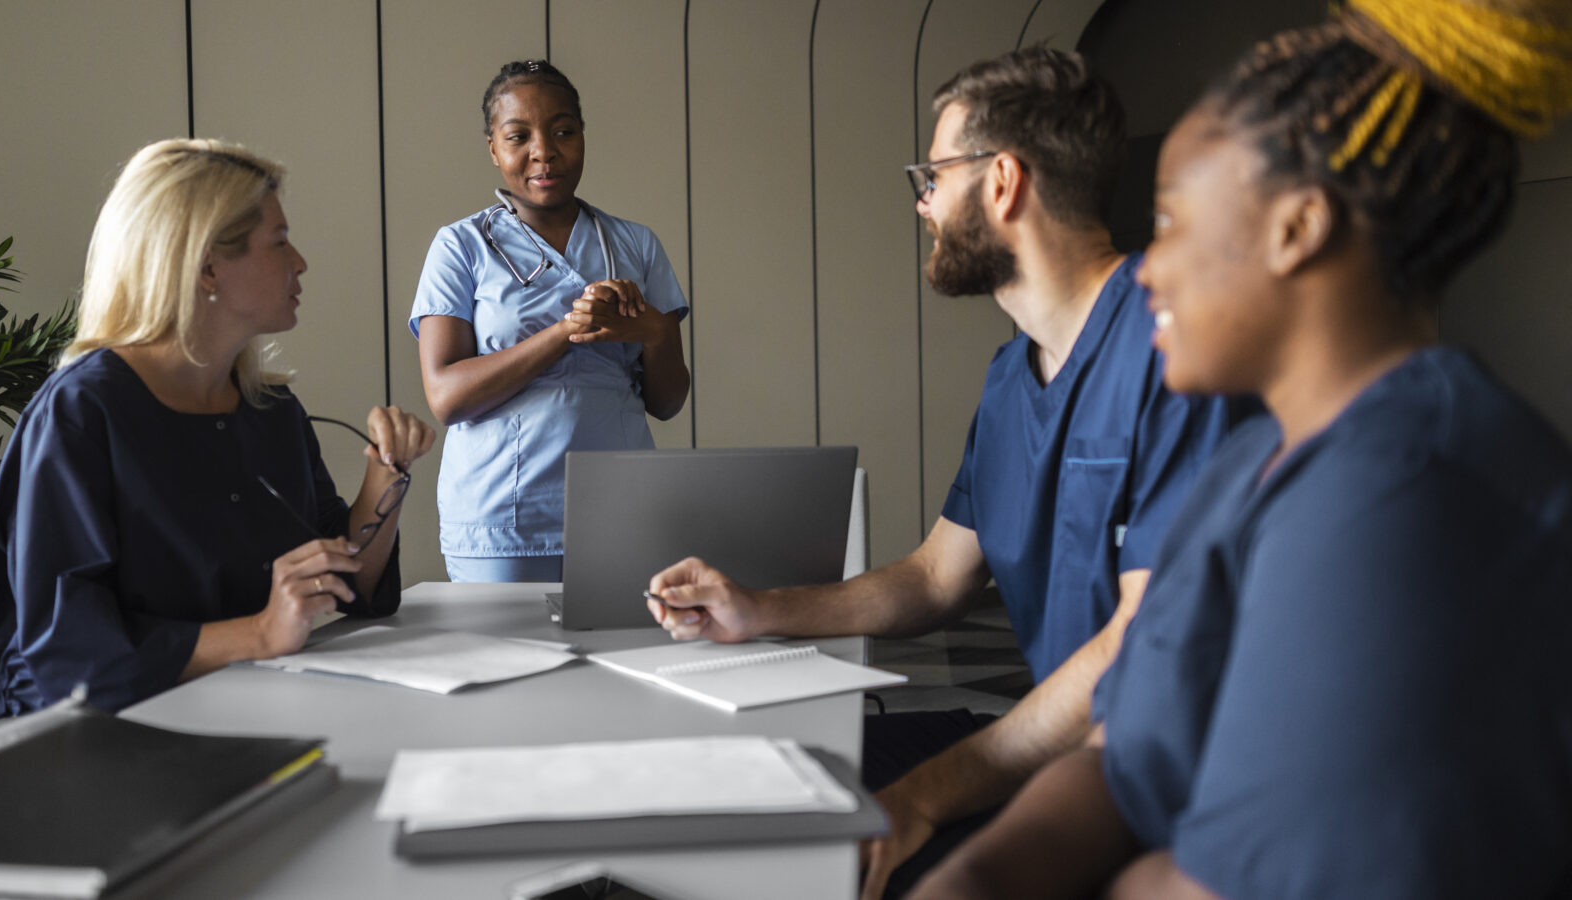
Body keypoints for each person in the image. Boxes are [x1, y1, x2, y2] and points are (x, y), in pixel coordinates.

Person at [908, 1, 1572, 897]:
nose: (1151, 266)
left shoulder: (1414, 493)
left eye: (1175, 223)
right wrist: (979, 876)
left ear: (1296, 228)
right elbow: (1127, 756)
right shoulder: (1243, 473)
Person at [648, 46, 1244, 899]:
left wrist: (926, 794)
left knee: (834, 857)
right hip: (1052, 751)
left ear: (1002, 182)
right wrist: (758, 610)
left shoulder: (1173, 348)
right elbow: (936, 577)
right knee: (751, 784)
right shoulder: (1012, 378)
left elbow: (1137, 649)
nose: (923, 203)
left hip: (1152, 792)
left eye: (933, 175)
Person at [0, 139, 435, 721]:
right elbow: (68, 652)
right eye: (278, 242)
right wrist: (263, 633)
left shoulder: (270, 409)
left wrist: (385, 475)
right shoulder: (81, 413)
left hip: (241, 711)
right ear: (207, 267)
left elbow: (348, 585)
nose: (299, 262)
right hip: (84, 743)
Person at [411, 59, 690, 584]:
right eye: (519, 136)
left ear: (583, 136)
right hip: (503, 520)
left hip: (623, 513)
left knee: (621, 661)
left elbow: (668, 403)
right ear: (493, 148)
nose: (545, 151)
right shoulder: (460, 247)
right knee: (508, 667)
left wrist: (655, 331)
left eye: (564, 131)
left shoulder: (635, 244)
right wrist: (566, 331)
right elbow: (446, 397)